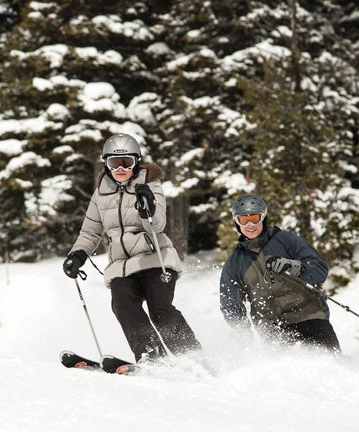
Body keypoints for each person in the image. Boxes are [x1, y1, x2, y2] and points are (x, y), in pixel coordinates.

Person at [63, 132, 202, 366]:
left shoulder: (150, 184)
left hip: (154, 259)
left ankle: (193, 356)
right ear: (106, 165)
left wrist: (146, 208)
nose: (120, 168)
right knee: (122, 304)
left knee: (161, 310)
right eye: (114, 163)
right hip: (121, 267)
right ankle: (151, 356)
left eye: (126, 162)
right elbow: (90, 232)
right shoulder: (101, 193)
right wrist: (78, 254)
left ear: (136, 162)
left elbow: (158, 225)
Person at [219, 193, 341, 352]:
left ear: (263, 217)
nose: (250, 224)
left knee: (331, 364)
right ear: (237, 222)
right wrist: (243, 333)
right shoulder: (234, 263)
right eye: (244, 219)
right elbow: (230, 304)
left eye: (254, 218)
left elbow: (319, 269)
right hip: (273, 330)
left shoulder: (286, 240)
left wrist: (294, 266)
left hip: (309, 316)